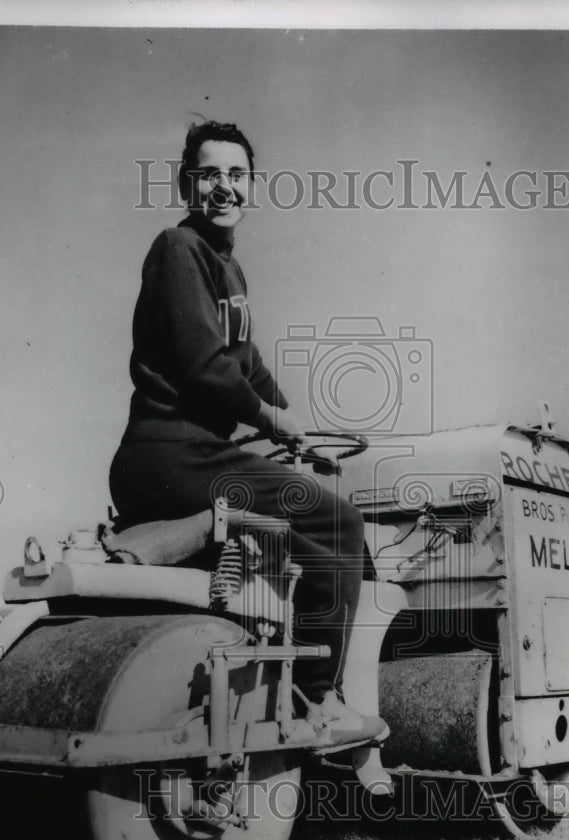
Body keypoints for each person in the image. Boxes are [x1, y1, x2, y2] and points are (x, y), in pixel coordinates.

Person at [109, 121, 384, 738]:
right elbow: (208, 370)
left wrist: (299, 431)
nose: (225, 187)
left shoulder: (229, 269)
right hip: (171, 452)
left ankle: (283, 680)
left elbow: (248, 367)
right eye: (211, 174)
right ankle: (319, 695)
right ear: (187, 183)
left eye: (237, 175)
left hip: (189, 454)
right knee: (341, 521)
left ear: (252, 186)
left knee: (313, 552)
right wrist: (276, 423)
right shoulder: (180, 249)